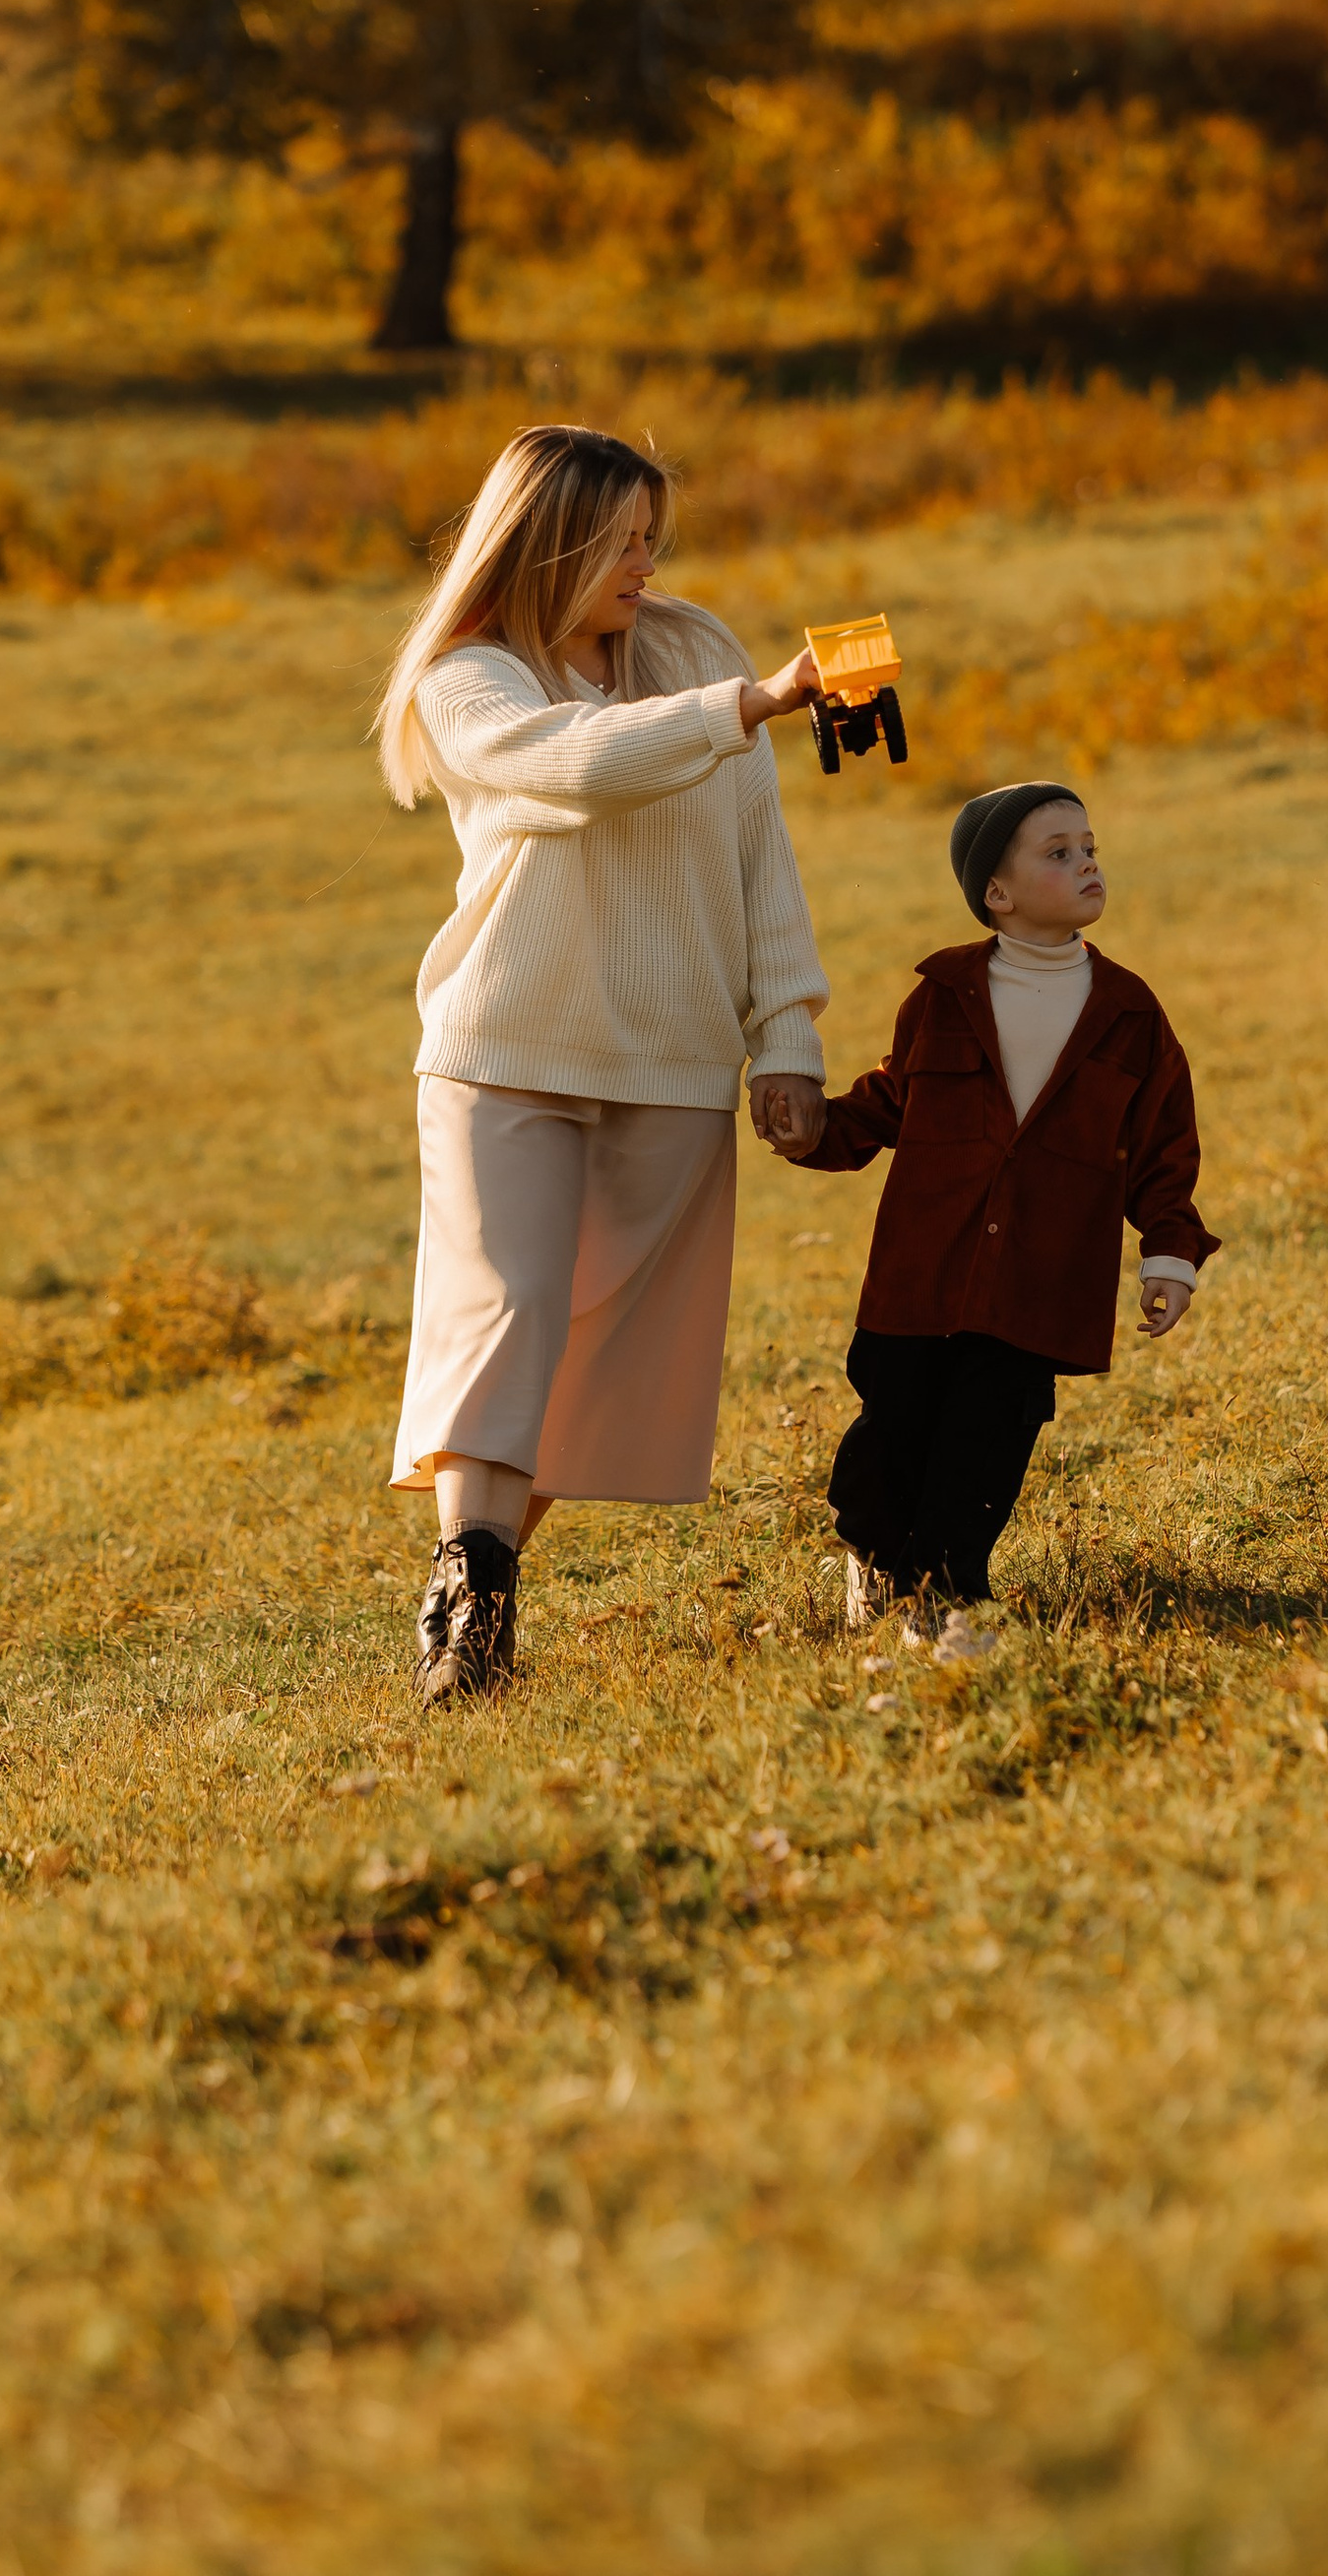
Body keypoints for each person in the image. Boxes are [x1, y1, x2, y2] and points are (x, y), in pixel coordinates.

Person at [373, 423, 831, 1708]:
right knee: (506, 1312)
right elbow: (569, 768)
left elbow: (758, 851)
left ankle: (481, 1578)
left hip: (673, 1057)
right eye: (620, 542)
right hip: (507, 1043)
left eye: (651, 539)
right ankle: (471, 1604)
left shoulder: (693, 649)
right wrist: (752, 707)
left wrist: (787, 1033)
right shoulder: (469, 675)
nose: (645, 564)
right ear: (547, 542)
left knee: (588, 1361)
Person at [777, 782, 1217, 1623]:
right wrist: (814, 1133)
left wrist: (1170, 1252)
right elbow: (887, 1102)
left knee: (985, 1447)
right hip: (920, 1277)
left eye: (1089, 847)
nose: (1086, 862)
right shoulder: (942, 994)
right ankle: (875, 1556)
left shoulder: (1131, 1014)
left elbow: (1164, 1147)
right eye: (1058, 852)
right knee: (889, 1440)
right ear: (998, 894)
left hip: (1037, 1284)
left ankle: (946, 1600)